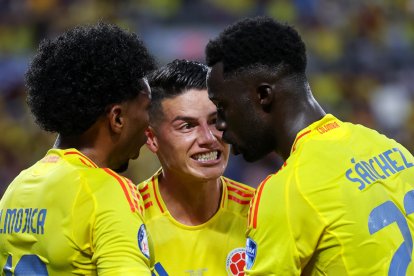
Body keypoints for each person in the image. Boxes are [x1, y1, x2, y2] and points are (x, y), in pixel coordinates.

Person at [205, 16, 414, 275]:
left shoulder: (287, 190)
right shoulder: (387, 147)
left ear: (263, 96)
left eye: (223, 108)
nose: (220, 125)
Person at [0, 22, 156, 275]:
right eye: (148, 109)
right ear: (117, 118)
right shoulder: (106, 191)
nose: (152, 123)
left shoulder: (17, 188)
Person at [139, 59, 255, 275]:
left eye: (214, 121)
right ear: (152, 138)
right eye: (187, 126)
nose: (208, 138)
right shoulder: (127, 217)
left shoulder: (260, 213)